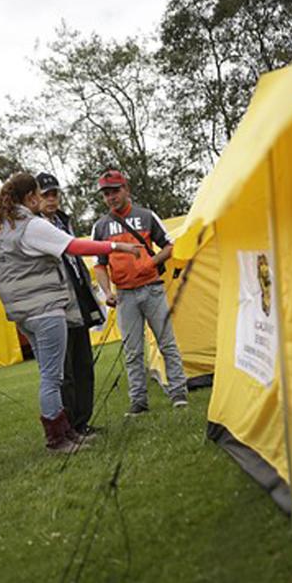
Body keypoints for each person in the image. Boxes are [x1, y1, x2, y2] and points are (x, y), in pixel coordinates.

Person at [0, 172, 140, 453]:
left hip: (22, 314)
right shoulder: (30, 224)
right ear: (30, 197)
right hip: (45, 309)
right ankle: (58, 438)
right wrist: (118, 246)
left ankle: (67, 432)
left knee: (52, 373)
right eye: (39, 194)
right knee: (53, 376)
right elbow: (74, 247)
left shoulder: (1, 230)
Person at [91, 169, 189, 416]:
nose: (111, 197)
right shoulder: (100, 226)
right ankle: (138, 401)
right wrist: (106, 292)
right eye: (106, 194)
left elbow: (169, 245)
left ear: (126, 189)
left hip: (152, 289)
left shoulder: (146, 216)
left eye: (115, 191)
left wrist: (151, 262)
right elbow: (99, 265)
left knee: (167, 343)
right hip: (124, 295)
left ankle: (179, 393)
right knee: (132, 351)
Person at [36, 172, 105, 436]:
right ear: (35, 198)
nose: (51, 199)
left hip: (78, 300)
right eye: (45, 195)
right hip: (55, 305)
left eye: (54, 194)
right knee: (64, 373)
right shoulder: (34, 226)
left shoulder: (64, 221)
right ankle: (68, 426)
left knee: (83, 365)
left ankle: (82, 421)